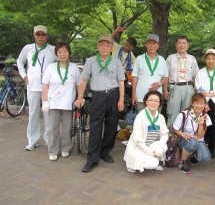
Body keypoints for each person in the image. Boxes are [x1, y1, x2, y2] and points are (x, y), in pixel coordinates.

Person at [74, 35, 125, 173]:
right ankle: (92, 159)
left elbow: (121, 81)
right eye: (102, 45)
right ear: (98, 46)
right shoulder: (90, 61)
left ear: (111, 47)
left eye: (107, 45)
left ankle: (105, 151)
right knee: (95, 127)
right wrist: (79, 97)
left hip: (113, 95)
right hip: (97, 96)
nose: (104, 47)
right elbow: (84, 80)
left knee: (111, 126)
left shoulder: (116, 62)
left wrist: (121, 100)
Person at [17, 25, 57, 151]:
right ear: (34, 35)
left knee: (48, 113)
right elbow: (19, 61)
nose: (41, 37)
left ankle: (49, 139)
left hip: (48, 87)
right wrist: (24, 75)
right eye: (38, 34)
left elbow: (61, 62)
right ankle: (32, 140)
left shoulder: (52, 49)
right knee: (33, 113)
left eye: (43, 34)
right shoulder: (28, 48)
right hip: (32, 86)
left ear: (47, 36)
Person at [42, 43, 80, 161]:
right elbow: (45, 86)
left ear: (69, 53)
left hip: (68, 101)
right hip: (53, 101)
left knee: (67, 127)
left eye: (65, 51)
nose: (62, 54)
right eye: (60, 52)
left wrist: (80, 97)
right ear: (56, 54)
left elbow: (78, 85)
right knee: (53, 127)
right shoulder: (51, 67)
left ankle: (65, 148)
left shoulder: (74, 67)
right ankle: (53, 150)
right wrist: (45, 101)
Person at [124, 91, 169, 173]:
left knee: (163, 146)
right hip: (139, 147)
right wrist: (150, 153)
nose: (153, 103)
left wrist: (159, 148)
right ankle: (133, 164)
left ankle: (151, 159)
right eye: (150, 100)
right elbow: (137, 140)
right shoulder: (140, 116)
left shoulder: (160, 117)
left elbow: (164, 134)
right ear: (146, 101)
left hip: (150, 145)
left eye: (156, 101)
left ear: (159, 103)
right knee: (153, 163)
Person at [195, 49, 215, 159]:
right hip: (203, 102)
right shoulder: (200, 72)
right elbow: (197, 87)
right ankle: (202, 143)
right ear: (205, 60)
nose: (211, 61)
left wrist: (212, 94)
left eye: (213, 59)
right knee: (202, 122)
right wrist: (204, 98)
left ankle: (212, 147)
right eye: (208, 58)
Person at [165, 36, 199, 131]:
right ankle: (171, 136)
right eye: (179, 43)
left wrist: (197, 92)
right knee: (172, 111)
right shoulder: (170, 58)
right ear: (176, 45)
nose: (182, 45)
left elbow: (195, 77)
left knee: (187, 112)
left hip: (189, 87)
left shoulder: (192, 59)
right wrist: (165, 90)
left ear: (188, 45)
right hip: (174, 87)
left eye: (184, 43)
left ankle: (184, 135)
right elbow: (165, 76)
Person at [173, 93, 212, 174]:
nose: (199, 106)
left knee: (206, 157)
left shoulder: (206, 117)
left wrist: (201, 125)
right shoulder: (184, 114)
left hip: (198, 140)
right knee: (192, 142)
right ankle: (183, 161)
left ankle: (192, 155)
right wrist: (184, 135)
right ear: (192, 103)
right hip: (184, 140)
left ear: (205, 104)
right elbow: (175, 129)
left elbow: (200, 136)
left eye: (201, 103)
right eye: (196, 103)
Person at [132, 34, 168, 113]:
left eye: (154, 43)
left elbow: (165, 76)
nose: (152, 46)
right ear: (146, 45)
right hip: (141, 96)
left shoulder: (162, 60)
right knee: (142, 120)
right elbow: (135, 77)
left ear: (158, 45)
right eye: (149, 43)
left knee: (155, 120)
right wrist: (134, 94)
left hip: (156, 97)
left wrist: (159, 84)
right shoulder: (139, 59)